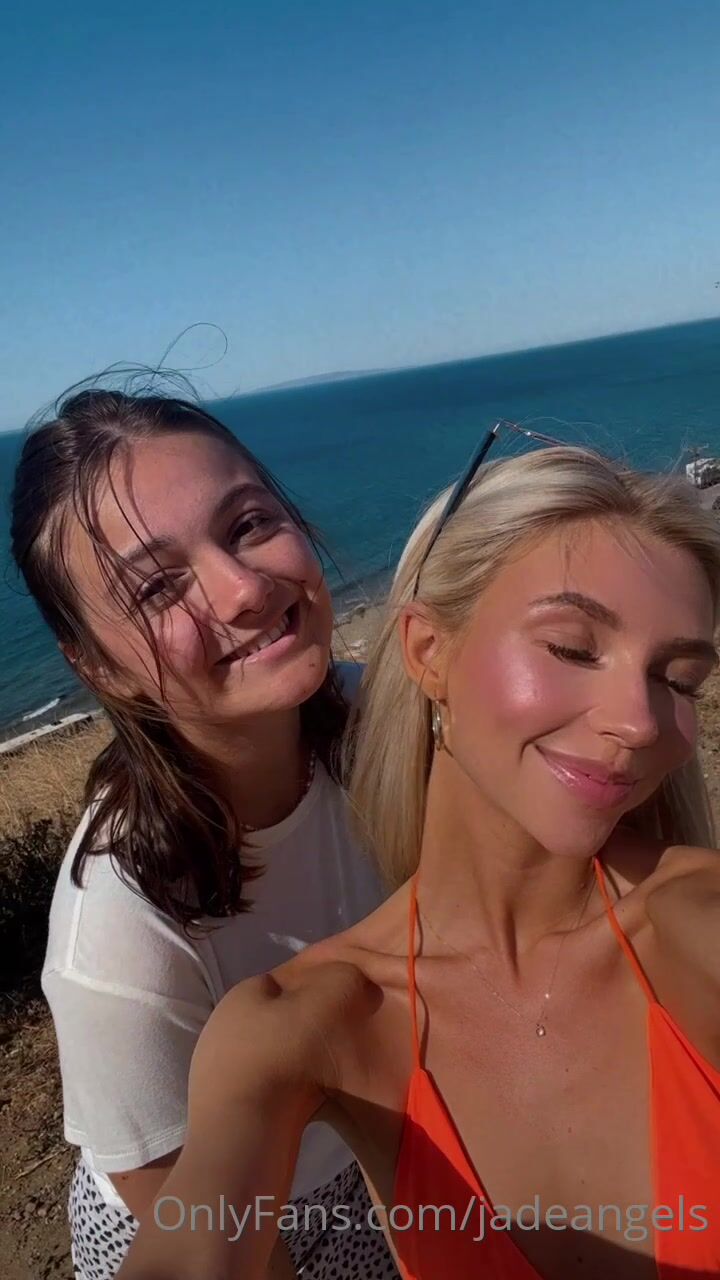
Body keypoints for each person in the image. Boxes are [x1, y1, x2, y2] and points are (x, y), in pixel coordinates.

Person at [116, 440, 720, 1280]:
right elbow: (193, 1238)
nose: (641, 721)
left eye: (679, 680)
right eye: (573, 648)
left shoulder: (694, 921)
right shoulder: (305, 1024)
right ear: (430, 651)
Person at [10, 388, 400, 1280]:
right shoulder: (120, 937)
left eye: (249, 523)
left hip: (365, 1157)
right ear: (99, 665)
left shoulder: (381, 720)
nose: (246, 588)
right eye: (156, 587)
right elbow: (180, 1208)